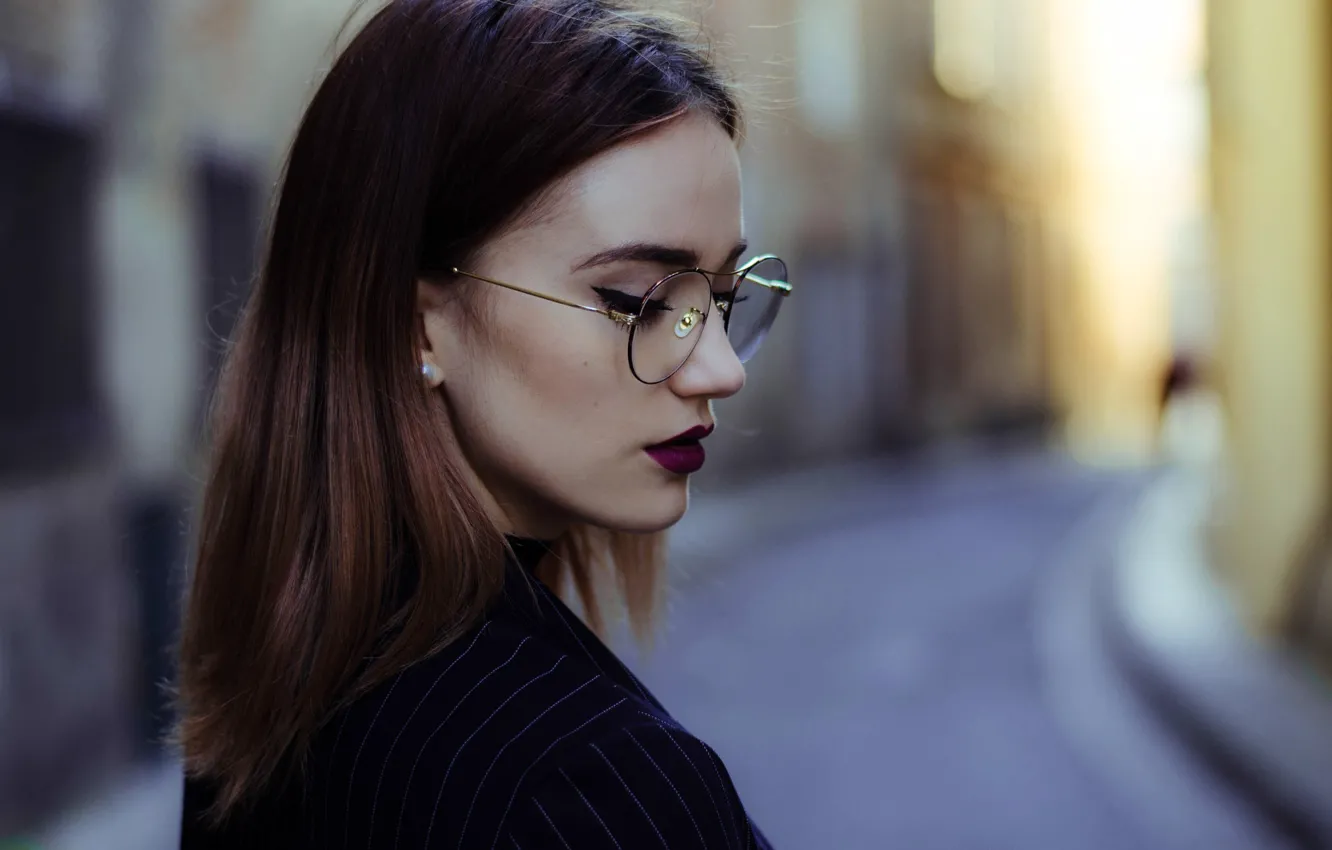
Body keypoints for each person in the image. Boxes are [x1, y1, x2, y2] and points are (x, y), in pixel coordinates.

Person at [174, 0, 791, 847]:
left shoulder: (269, 690)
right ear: (417, 327)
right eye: (642, 300)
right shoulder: (584, 788)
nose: (720, 369)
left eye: (721, 298)